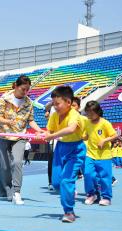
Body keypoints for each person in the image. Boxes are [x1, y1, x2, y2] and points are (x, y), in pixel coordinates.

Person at [0, 75, 44, 204]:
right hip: (4, 135)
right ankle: (8, 190)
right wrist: (8, 121)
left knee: (17, 162)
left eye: (27, 89)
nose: (25, 92)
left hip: (20, 136)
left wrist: (39, 130)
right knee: (5, 167)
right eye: (23, 89)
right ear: (16, 86)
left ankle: (17, 191)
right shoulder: (4, 99)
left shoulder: (28, 102)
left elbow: (31, 120)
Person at [44, 85, 86, 223]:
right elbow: (49, 131)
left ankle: (69, 212)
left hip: (75, 150)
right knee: (56, 183)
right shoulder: (54, 115)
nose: (55, 107)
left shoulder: (74, 114)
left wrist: (52, 136)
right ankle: (69, 190)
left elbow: (71, 129)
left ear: (68, 102)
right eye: (53, 104)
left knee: (66, 180)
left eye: (57, 103)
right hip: (60, 149)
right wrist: (45, 135)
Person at [82, 101, 117, 206]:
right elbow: (86, 136)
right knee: (88, 173)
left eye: (91, 113)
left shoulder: (105, 123)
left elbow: (115, 136)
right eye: (87, 113)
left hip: (104, 155)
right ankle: (92, 194)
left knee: (104, 177)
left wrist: (104, 140)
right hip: (90, 154)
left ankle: (106, 197)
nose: (89, 115)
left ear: (98, 112)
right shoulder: (87, 122)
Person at [44, 101, 56, 190]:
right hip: (52, 136)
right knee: (51, 159)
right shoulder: (52, 107)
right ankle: (51, 182)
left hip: (63, 136)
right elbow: (46, 106)